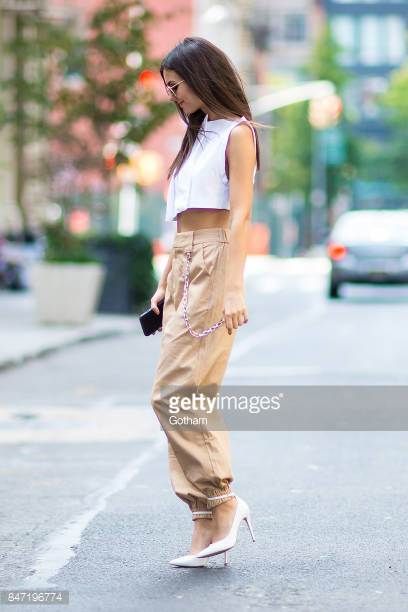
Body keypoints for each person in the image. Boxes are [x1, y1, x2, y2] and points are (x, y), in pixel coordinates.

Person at [150, 36, 261, 568]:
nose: (174, 96)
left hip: (216, 264)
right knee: (183, 396)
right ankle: (202, 519)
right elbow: (182, 222)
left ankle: (222, 500)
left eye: (177, 85)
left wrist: (234, 286)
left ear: (201, 76)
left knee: (179, 393)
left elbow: (238, 216)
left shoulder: (237, 134)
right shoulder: (195, 137)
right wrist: (166, 278)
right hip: (185, 264)